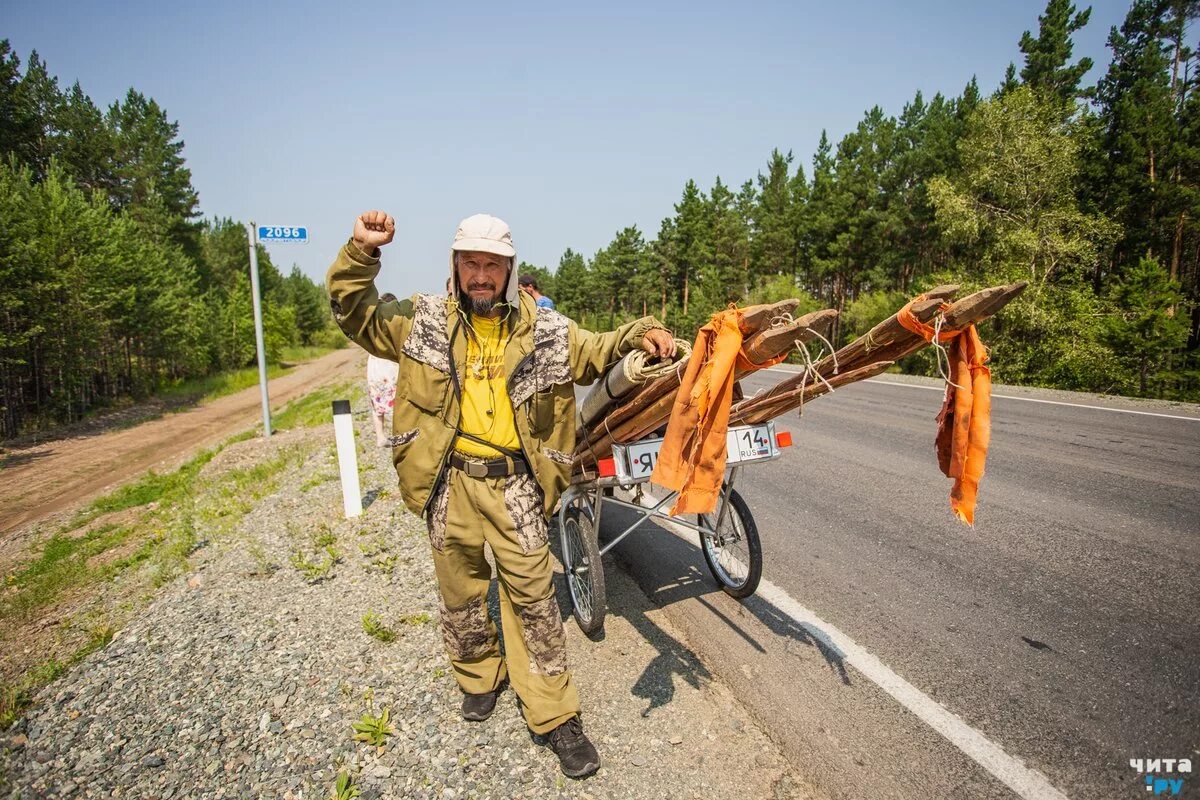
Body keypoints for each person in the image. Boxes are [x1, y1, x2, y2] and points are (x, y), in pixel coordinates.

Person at [326, 211, 675, 779]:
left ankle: (554, 714)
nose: (481, 275)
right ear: (456, 266)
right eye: (471, 263)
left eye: (492, 264)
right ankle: (480, 676)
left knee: (534, 597)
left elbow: (600, 348)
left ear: (510, 270)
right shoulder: (422, 321)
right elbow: (354, 312)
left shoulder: (547, 331)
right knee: (461, 590)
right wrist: (361, 251)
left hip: (515, 482)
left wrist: (643, 333)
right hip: (448, 479)